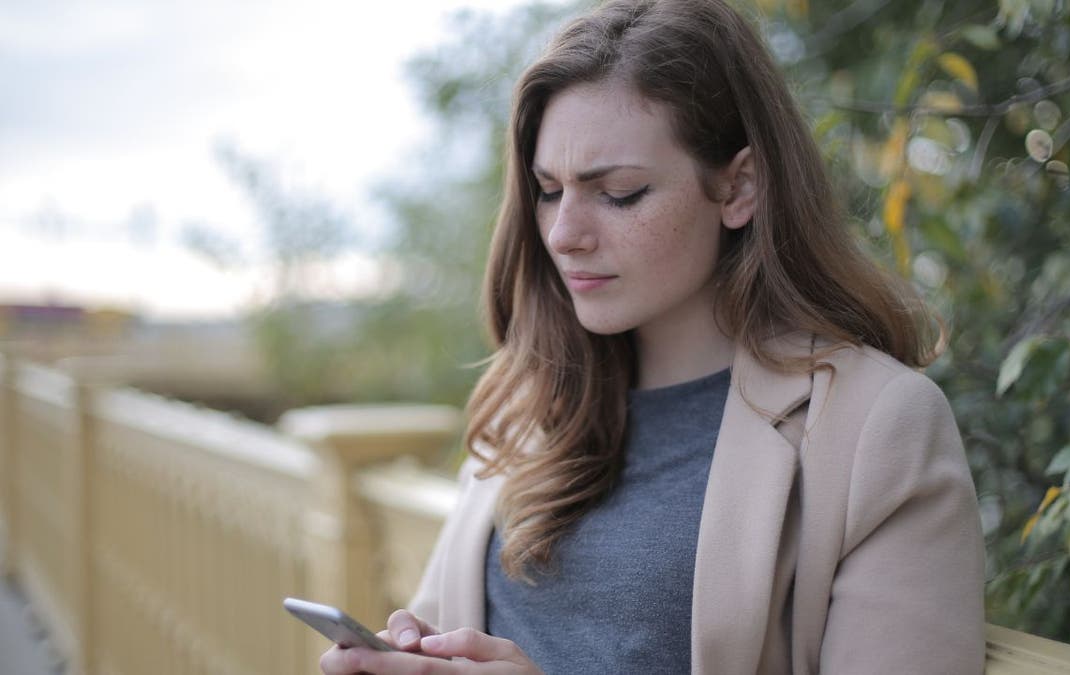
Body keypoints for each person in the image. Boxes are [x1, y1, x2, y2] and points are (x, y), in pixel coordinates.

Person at [321, 0, 985, 672]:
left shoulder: (878, 426)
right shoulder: (533, 407)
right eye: (549, 190)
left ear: (739, 187)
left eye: (619, 192)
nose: (563, 233)